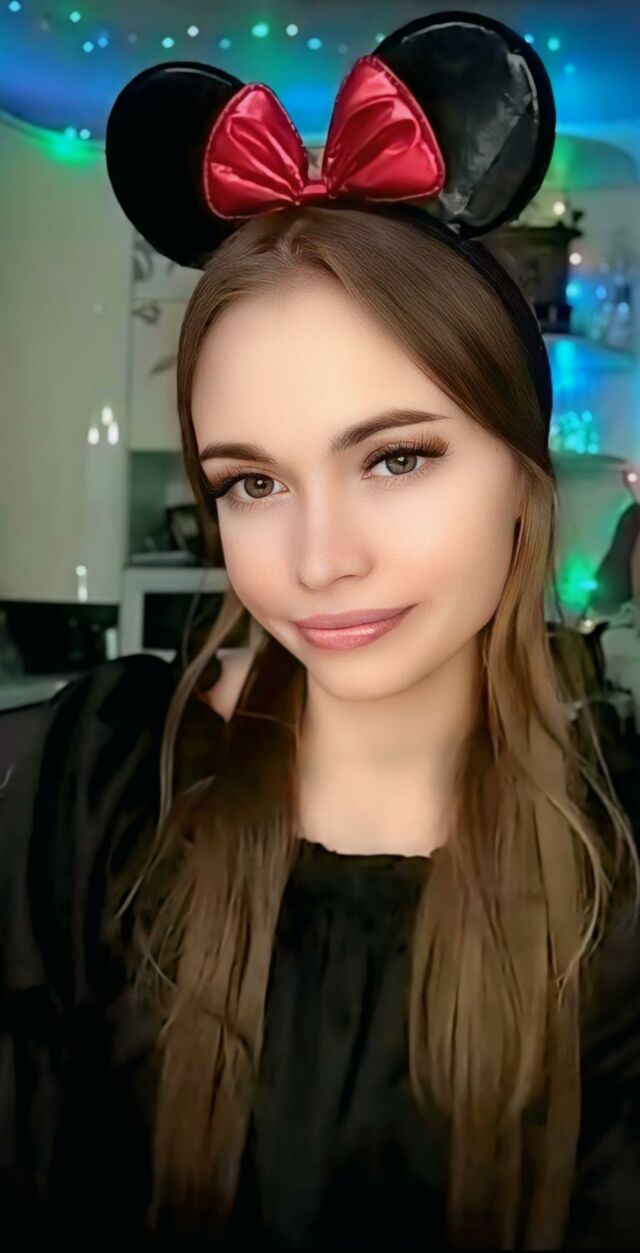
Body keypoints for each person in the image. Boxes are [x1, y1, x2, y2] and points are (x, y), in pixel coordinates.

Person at [2, 11, 640, 1251]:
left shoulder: (614, 883)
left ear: (520, 477)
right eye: (253, 481)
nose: (316, 558)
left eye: (395, 457)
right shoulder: (101, 794)